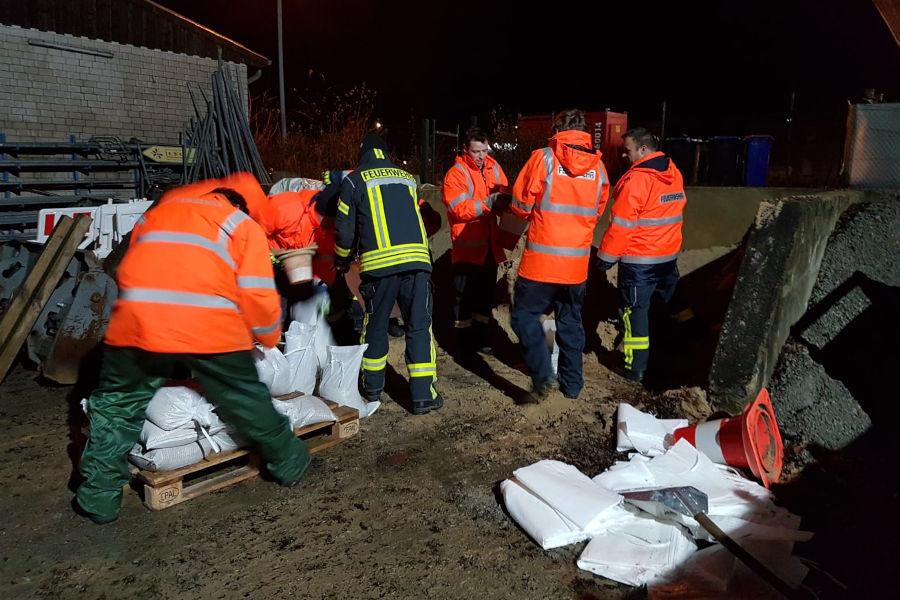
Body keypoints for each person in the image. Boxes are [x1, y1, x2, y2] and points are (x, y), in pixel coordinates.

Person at [74, 172, 310, 524]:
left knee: (117, 407)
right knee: (245, 397)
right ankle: (290, 462)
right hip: (207, 323)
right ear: (243, 203)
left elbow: (125, 267)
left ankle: (99, 498)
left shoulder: (159, 212)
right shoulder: (241, 226)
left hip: (139, 320)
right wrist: (268, 338)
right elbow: (259, 298)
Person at [333, 134, 441, 415]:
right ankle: (422, 397)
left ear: (363, 155)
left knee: (375, 327)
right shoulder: (407, 178)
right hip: (418, 264)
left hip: (379, 268)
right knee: (419, 326)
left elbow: (344, 229)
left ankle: (372, 390)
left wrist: (342, 259)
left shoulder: (354, 180)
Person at [509, 109, 610, 403]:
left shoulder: (545, 158)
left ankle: (543, 377)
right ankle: (573, 386)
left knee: (524, 316)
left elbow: (520, 205)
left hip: (541, 263)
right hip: (576, 265)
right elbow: (597, 211)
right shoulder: (599, 169)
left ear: (557, 129)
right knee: (570, 322)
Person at [596, 127, 687, 383]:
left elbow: (621, 225)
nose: (625, 155)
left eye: (628, 150)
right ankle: (687, 346)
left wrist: (605, 257)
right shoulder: (673, 172)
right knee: (672, 305)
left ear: (643, 149)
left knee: (634, 313)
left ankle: (635, 369)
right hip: (667, 258)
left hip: (640, 263)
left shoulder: (637, 179)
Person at [441, 127, 509, 354]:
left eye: (484, 150)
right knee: (464, 301)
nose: (481, 156)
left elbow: (504, 191)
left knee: (484, 299)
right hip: (467, 249)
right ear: (465, 150)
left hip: (488, 248)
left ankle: (481, 340)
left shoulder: (492, 167)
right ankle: (463, 345)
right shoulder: (456, 174)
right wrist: (489, 203)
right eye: (476, 151)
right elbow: (458, 209)